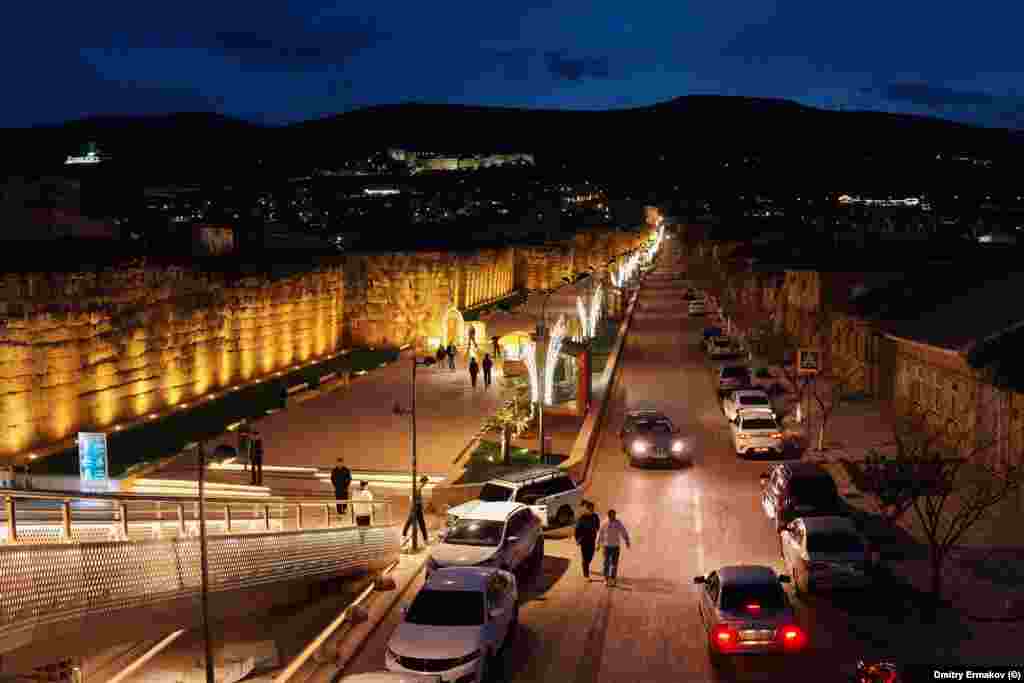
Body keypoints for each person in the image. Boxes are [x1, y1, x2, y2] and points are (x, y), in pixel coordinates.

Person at [596, 509, 631, 586]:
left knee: (614, 564)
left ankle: (613, 578)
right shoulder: (604, 523)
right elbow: (600, 534)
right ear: (608, 515)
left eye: (614, 515)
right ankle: (606, 578)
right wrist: (598, 544)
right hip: (606, 546)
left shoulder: (618, 523)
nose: (612, 516)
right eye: (611, 515)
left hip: (616, 546)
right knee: (606, 563)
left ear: (615, 515)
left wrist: (627, 540)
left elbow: (623, 531)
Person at [574, 501, 600, 579]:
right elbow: (577, 530)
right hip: (584, 540)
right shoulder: (582, 518)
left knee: (591, 555)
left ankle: (586, 565)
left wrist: (596, 529)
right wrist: (577, 539)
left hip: (592, 539)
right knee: (585, 557)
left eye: (592, 508)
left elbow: (598, 525)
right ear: (587, 508)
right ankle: (586, 574)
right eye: (590, 508)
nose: (591, 510)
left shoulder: (595, 516)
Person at [403, 475, 430, 543]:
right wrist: (419, 503)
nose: (425, 484)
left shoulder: (418, 487)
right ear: (423, 481)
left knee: (412, 522)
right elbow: (412, 498)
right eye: (425, 482)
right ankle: (425, 539)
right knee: (417, 522)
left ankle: (404, 535)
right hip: (416, 507)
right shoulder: (418, 487)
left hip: (416, 507)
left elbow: (412, 498)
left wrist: (420, 503)